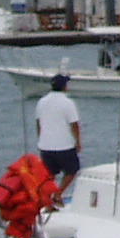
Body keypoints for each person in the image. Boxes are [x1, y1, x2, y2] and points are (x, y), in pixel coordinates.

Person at [34, 74, 83, 204]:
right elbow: (74, 125)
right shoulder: (68, 103)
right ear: (65, 87)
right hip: (64, 145)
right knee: (72, 170)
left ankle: (47, 199)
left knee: (49, 175)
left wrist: (41, 139)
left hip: (45, 146)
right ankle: (58, 193)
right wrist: (78, 141)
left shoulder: (41, 101)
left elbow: (39, 123)